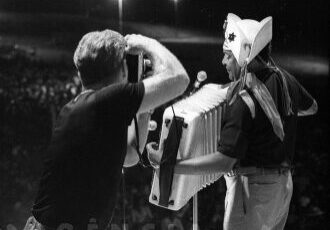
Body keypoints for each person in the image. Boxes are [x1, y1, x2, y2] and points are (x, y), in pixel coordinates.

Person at [148, 13, 317, 230]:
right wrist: (272, 117)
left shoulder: (243, 96)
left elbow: (223, 162)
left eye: (228, 55)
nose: (223, 61)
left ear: (242, 56)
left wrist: (169, 164)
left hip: (252, 191)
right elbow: (312, 108)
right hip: (282, 188)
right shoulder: (286, 79)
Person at [25, 29, 189, 229]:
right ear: (122, 69)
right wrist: (146, 42)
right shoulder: (107, 101)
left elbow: (130, 155)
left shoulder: (81, 107)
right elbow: (180, 79)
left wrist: (145, 110)